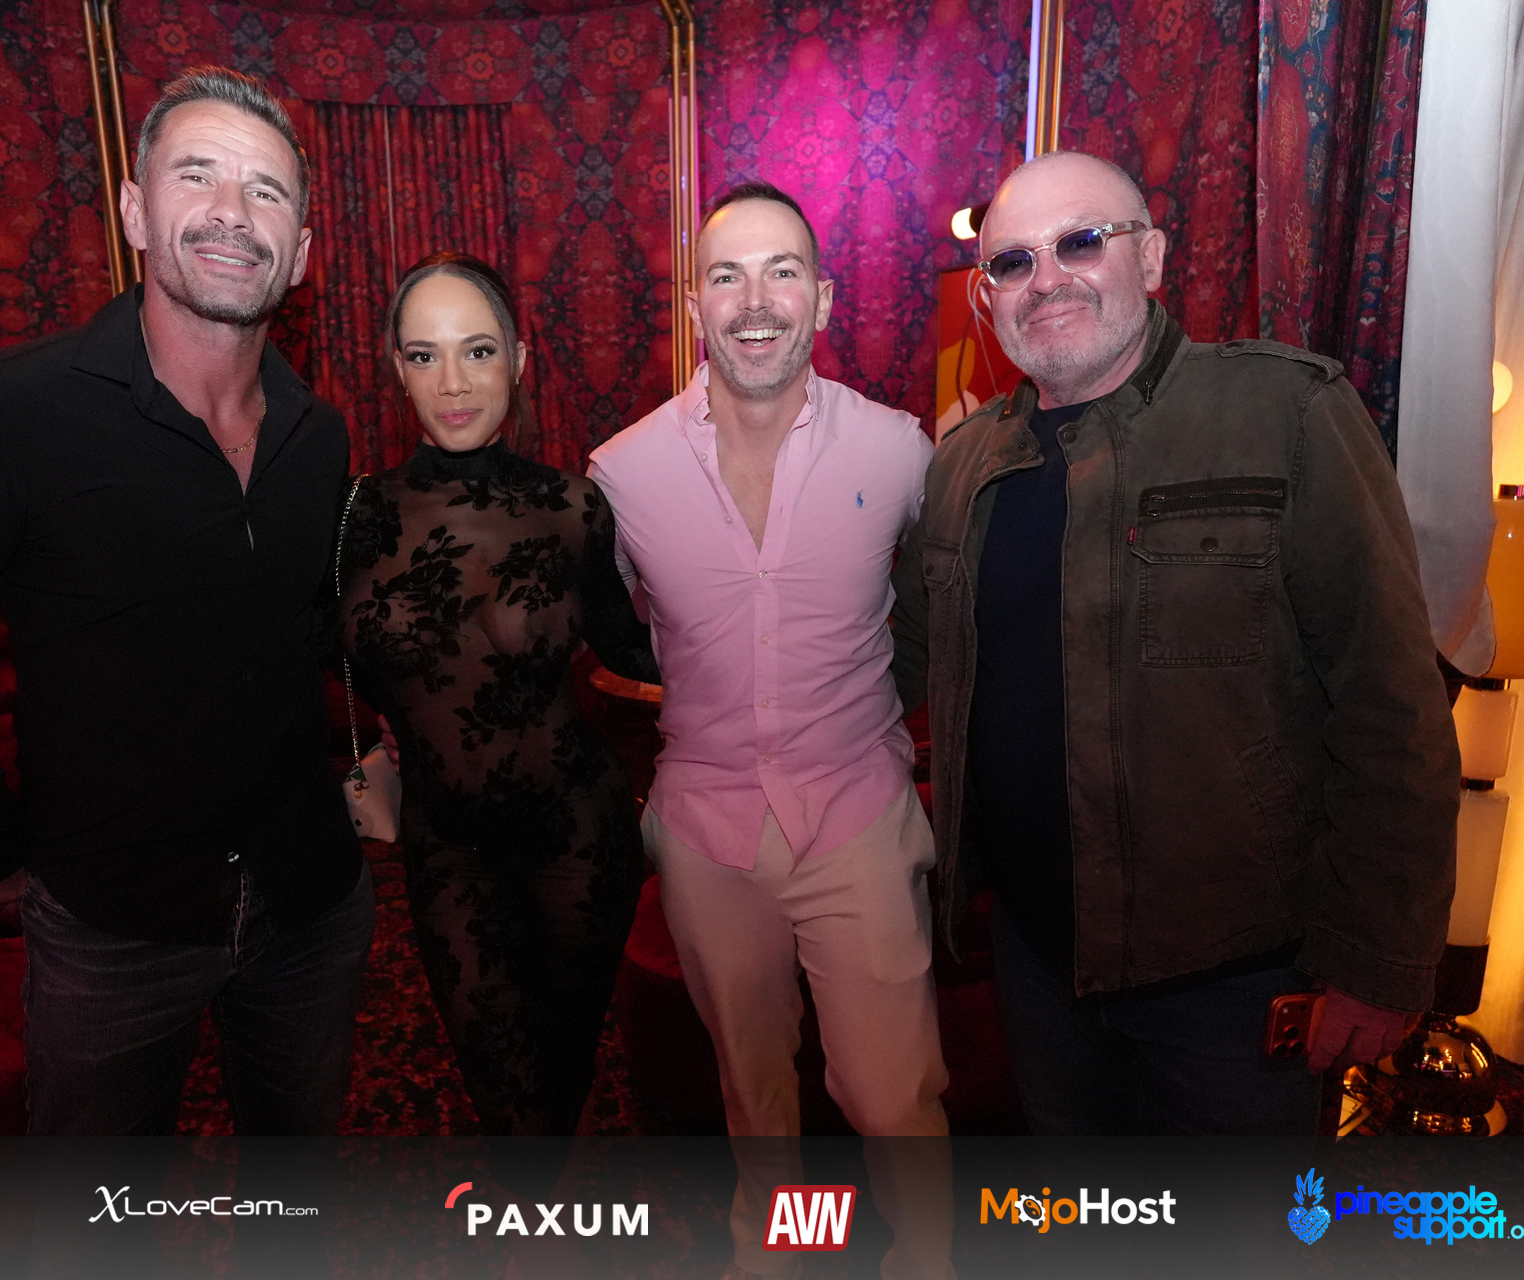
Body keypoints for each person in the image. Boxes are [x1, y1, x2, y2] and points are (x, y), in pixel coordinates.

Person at [0, 67, 376, 1135]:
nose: (232, 210)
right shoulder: (8, 413)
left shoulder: (320, 436)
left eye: (267, 191)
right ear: (133, 211)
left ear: (302, 251)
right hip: (112, 928)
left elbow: (296, 634)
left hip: (311, 900)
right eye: (197, 174)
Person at [892, 150, 1459, 1135]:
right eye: (1014, 262)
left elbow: (1391, 703)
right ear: (987, 299)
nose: (1047, 279)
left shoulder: (1286, 412)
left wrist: (1381, 959)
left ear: (1151, 258)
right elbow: (899, 656)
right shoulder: (963, 465)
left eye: (1081, 243)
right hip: (1038, 963)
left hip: (1234, 980)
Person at [590, 183, 952, 1280]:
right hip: (707, 829)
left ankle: (923, 1259)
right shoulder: (622, 473)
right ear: (694, 304)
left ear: (823, 299)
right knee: (755, 1097)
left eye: (783, 271)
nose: (756, 299)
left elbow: (942, 607)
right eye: (728, 275)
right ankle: (783, 1254)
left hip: (857, 812)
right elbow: (614, 630)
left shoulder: (898, 451)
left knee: (891, 1095)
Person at [335, 250, 659, 1138]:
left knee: (558, 1083)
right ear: (398, 368)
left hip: (578, 839)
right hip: (448, 852)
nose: (453, 382)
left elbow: (637, 650)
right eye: (425, 355)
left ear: (517, 359)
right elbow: (310, 658)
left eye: (477, 351)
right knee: (502, 1092)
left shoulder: (574, 508)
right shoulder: (350, 517)